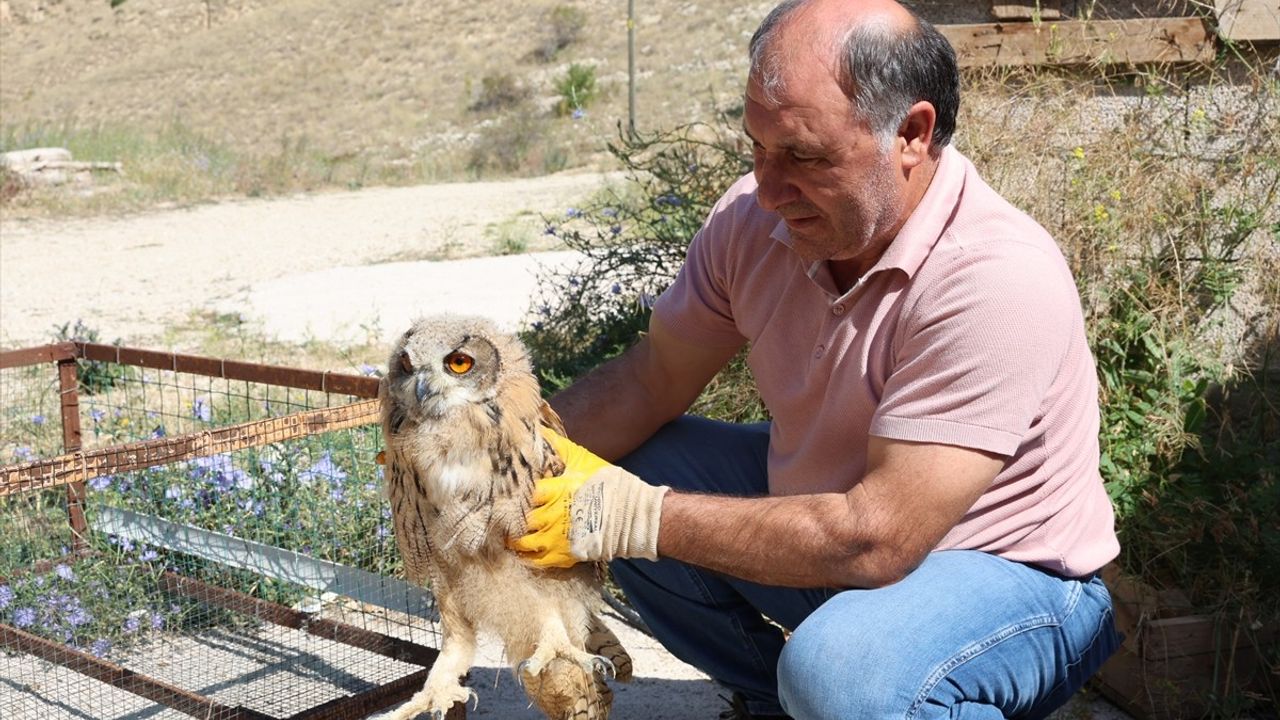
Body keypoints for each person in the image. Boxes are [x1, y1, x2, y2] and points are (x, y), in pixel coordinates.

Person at [511, 0, 1122, 717]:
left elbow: (877, 539)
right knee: (627, 460)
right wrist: (500, 456)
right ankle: (781, 703)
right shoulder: (752, 221)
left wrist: (628, 516)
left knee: (842, 674)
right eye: (758, 148)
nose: (769, 191)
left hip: (1009, 577)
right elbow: (650, 382)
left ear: (912, 134)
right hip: (842, 531)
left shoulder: (992, 276)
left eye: (804, 156)